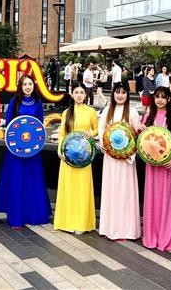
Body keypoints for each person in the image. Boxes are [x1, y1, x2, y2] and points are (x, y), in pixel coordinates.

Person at [0, 75, 51, 228]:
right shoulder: (15, 102)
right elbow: (8, 124)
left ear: (34, 86)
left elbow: (40, 125)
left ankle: (32, 214)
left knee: (32, 180)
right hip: (16, 150)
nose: (28, 86)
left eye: (30, 84)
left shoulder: (38, 103)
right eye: (25, 84)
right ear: (20, 86)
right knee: (17, 179)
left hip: (33, 150)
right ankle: (16, 215)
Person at [140, 87, 171, 251]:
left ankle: (166, 237)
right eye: (157, 97)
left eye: (163, 97)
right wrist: (140, 129)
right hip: (152, 165)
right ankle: (151, 236)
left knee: (167, 200)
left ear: (169, 100)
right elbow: (142, 140)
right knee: (152, 199)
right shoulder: (148, 116)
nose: (160, 100)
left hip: (167, 167)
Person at [98, 82, 142, 240]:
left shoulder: (132, 112)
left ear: (128, 94)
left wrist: (129, 152)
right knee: (111, 191)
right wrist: (103, 145)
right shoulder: (107, 112)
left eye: (123, 92)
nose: (120, 95)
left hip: (126, 160)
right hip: (110, 158)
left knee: (125, 192)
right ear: (113, 94)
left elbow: (137, 135)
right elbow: (101, 129)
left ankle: (127, 230)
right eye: (117, 92)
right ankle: (110, 228)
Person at [54, 82, 99, 234]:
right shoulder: (67, 112)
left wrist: (91, 134)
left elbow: (97, 129)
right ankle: (66, 222)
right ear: (72, 94)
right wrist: (60, 150)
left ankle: (82, 223)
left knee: (82, 189)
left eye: (82, 92)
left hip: (84, 157)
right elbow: (62, 134)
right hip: (68, 157)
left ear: (85, 95)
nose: (79, 95)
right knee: (69, 188)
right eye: (76, 92)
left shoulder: (91, 111)